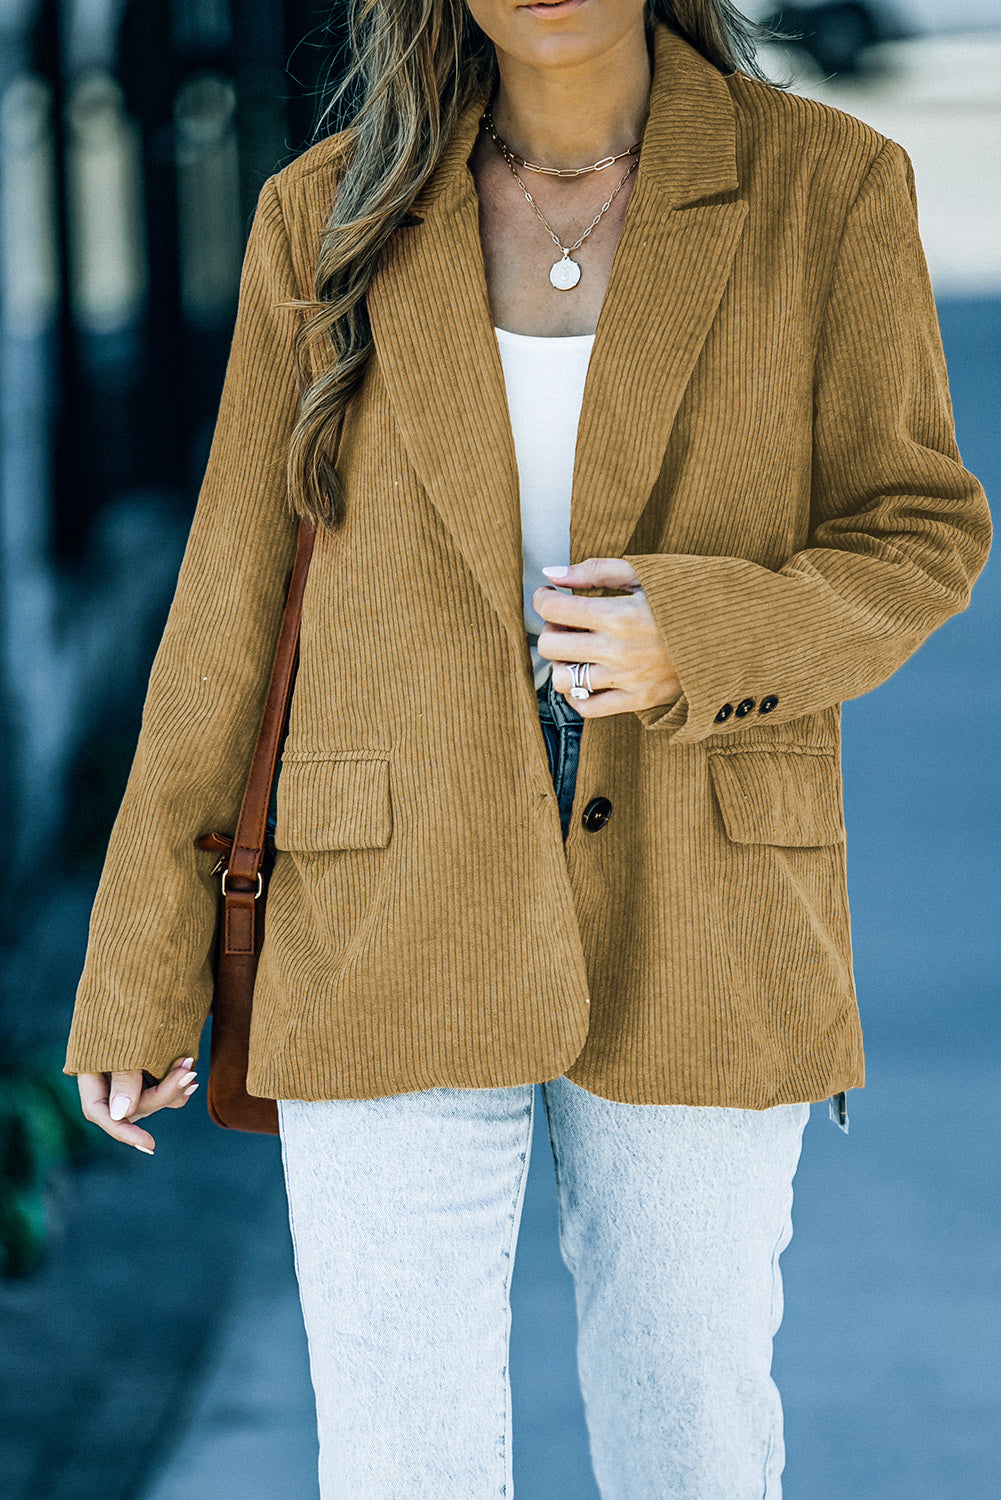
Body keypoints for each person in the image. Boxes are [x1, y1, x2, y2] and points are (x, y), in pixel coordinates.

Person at [65, 2, 990, 1496]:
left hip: (705, 902)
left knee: (688, 1439)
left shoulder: (827, 186)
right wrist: (142, 954)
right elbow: (230, 594)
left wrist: (702, 633)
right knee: (395, 1461)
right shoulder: (327, 211)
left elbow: (919, 533)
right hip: (380, 896)